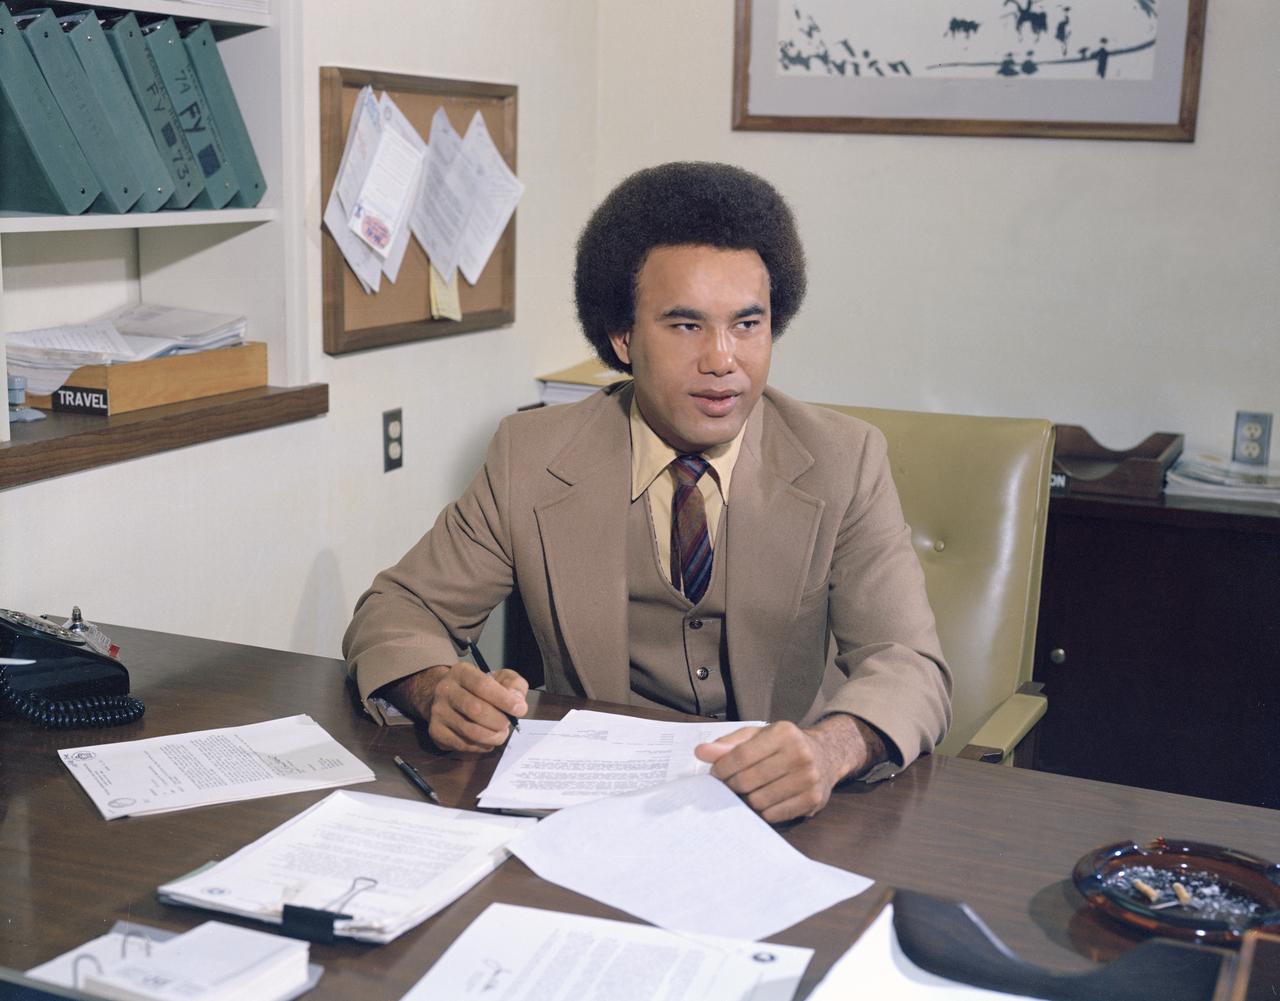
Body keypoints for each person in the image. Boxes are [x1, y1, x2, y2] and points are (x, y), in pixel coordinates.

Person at [343, 162, 951, 822]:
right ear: (623, 338)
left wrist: (830, 749)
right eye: (687, 326)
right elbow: (395, 610)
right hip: (589, 811)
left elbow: (909, 663)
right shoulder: (532, 456)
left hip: (783, 815)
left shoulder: (844, 458)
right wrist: (437, 688)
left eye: (748, 324)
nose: (723, 359)